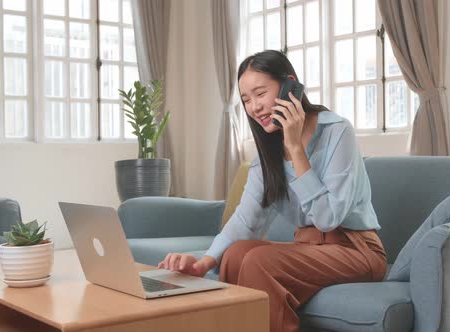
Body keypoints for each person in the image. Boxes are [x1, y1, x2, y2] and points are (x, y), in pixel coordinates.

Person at [158, 50, 387, 332]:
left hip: (356, 249)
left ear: (290, 85)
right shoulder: (266, 156)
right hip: (307, 249)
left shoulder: (337, 132)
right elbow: (246, 221)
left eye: (260, 93)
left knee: (258, 260)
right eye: (246, 100)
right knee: (235, 254)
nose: (254, 107)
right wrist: (204, 262)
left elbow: (328, 218)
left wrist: (295, 147)